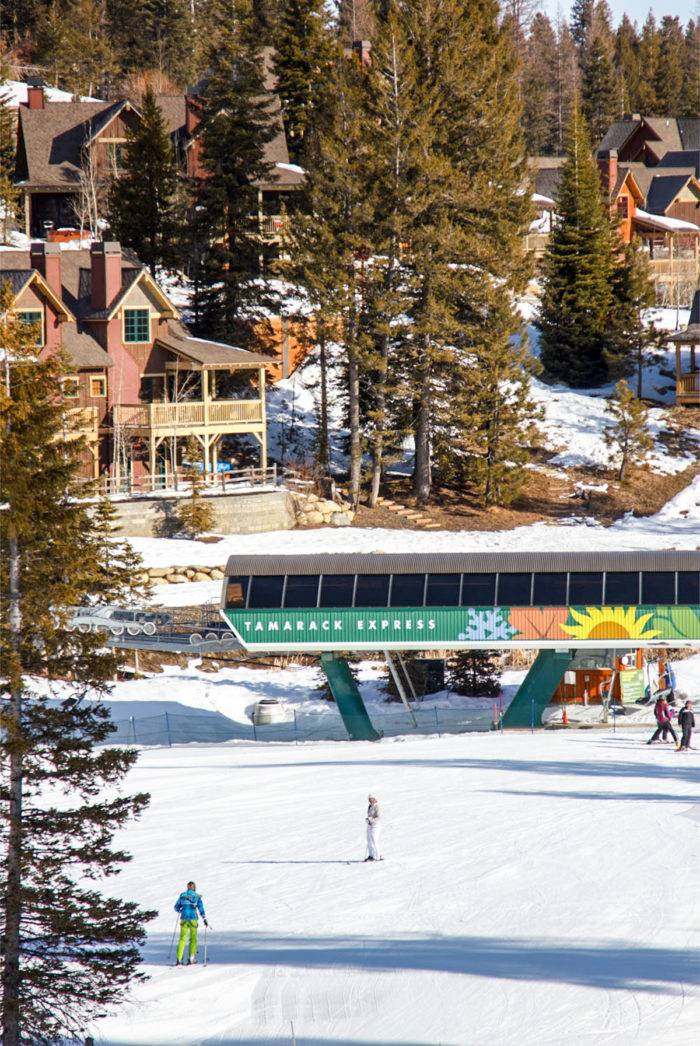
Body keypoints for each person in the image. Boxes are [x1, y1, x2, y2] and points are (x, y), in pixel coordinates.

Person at [174, 881, 208, 965]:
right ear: (194, 887)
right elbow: (200, 908)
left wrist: (180, 910)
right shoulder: (196, 896)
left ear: (187, 887)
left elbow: (176, 907)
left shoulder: (182, 896)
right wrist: (204, 918)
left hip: (184, 919)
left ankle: (179, 959)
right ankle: (191, 958)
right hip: (193, 919)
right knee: (193, 939)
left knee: (182, 938)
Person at [365, 794, 382, 862]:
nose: (370, 800)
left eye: (372, 799)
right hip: (370, 825)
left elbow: (378, 817)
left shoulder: (377, 807)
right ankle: (371, 855)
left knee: (374, 840)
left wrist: (372, 819)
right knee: (369, 841)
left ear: (375, 799)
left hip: (376, 826)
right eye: (369, 799)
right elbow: (369, 815)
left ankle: (377, 856)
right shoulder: (369, 806)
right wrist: (368, 820)